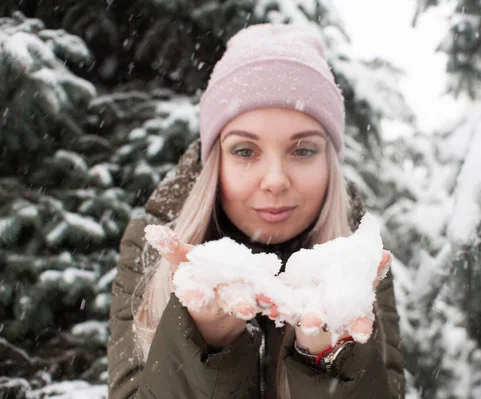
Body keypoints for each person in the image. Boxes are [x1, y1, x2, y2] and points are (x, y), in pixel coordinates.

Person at [107, 23, 405, 399]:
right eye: (245, 151)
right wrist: (204, 348)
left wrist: (329, 362)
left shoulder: (360, 261)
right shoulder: (155, 250)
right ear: (216, 162)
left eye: (303, 150)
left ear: (330, 162)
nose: (275, 180)